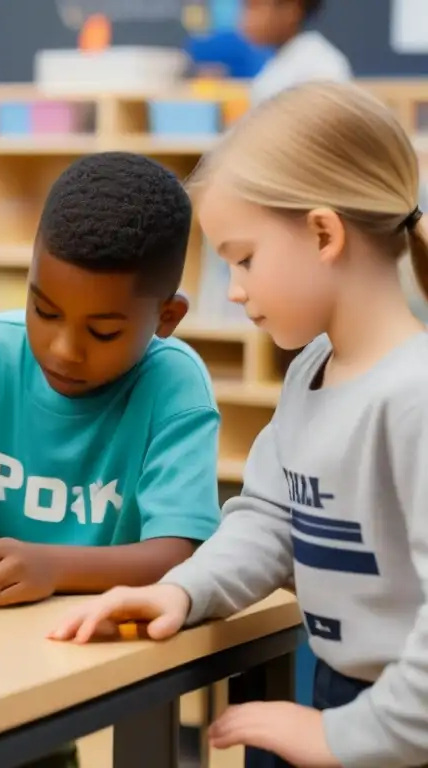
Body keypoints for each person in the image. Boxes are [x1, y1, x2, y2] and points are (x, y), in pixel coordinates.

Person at [49, 81, 428, 768]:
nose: (234, 290)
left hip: (400, 721)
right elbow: (268, 522)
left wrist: (338, 738)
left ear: (323, 233)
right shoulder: (312, 368)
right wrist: (182, 589)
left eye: (244, 257)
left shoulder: (415, 398)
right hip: (348, 697)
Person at [0, 152, 222, 609]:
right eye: (44, 311)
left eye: (103, 332)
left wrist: (52, 569)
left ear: (166, 318)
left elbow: (177, 554)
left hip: (111, 637)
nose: (62, 350)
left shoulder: (176, 384)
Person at [242, 0, 351, 106]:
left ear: (292, 9)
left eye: (254, 5)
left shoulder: (320, 65)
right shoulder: (281, 60)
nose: (245, 18)